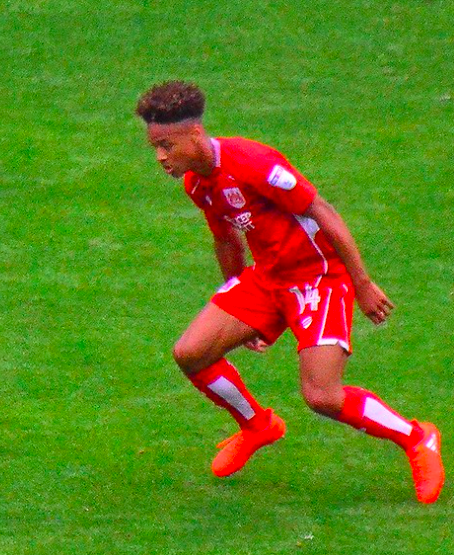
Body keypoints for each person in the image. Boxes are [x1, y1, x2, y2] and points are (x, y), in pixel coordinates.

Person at [135, 80, 444, 503]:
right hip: (268, 278)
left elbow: (322, 211)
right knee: (190, 353)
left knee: (322, 396)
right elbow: (226, 239)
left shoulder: (253, 162)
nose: (160, 157)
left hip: (318, 278)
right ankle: (258, 425)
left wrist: (362, 283)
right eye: (155, 147)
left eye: (166, 145)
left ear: (195, 134)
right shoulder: (197, 183)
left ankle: (416, 437)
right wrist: (239, 304)